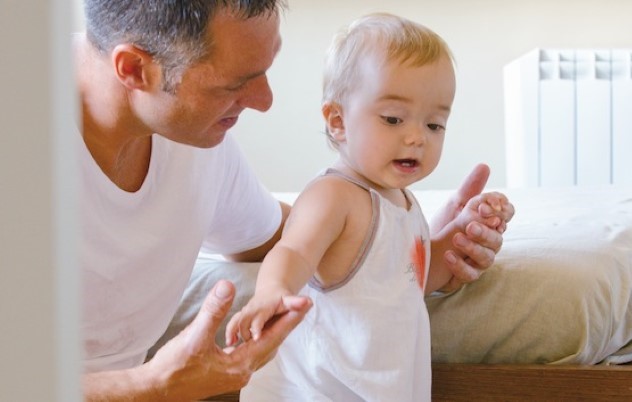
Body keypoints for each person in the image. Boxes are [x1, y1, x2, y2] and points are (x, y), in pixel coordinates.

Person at [76, 0, 512, 400]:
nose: (265, 101)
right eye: (235, 83)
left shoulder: (196, 144)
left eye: (434, 125)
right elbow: (293, 253)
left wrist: (436, 246)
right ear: (135, 69)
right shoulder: (37, 161)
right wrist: (155, 383)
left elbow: (314, 244)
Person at [228, 13, 513, 401]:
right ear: (338, 121)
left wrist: (463, 230)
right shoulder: (334, 195)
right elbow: (293, 250)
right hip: (316, 392)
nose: (416, 137)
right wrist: (273, 291)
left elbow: (410, 280)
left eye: (434, 125)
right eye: (393, 119)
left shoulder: (403, 203)